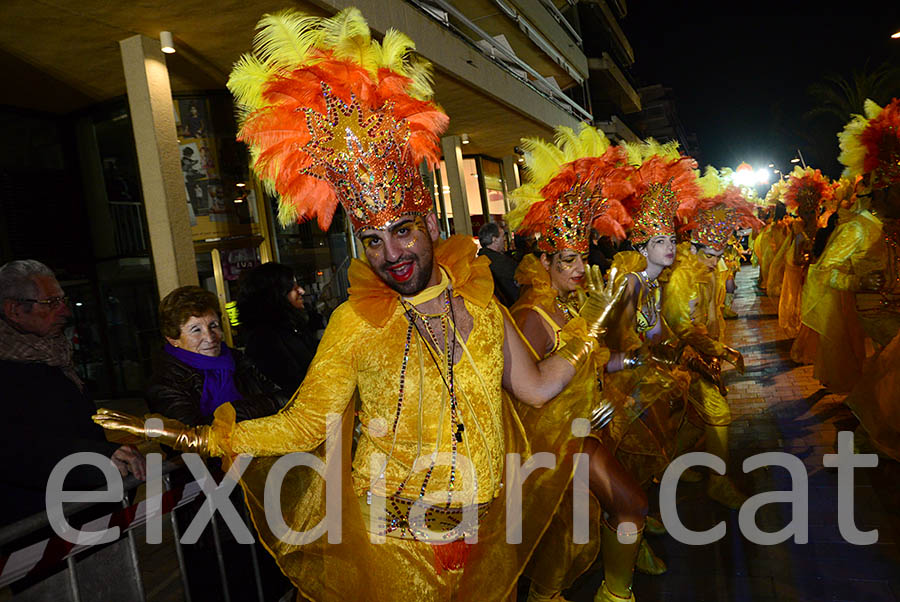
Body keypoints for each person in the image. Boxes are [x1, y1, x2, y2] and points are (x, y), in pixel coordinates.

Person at [93, 9, 625, 602]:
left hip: (481, 529)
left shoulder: (481, 300)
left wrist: (595, 326)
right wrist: (197, 438)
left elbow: (534, 387)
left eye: (401, 231)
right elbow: (304, 422)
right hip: (395, 539)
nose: (391, 252)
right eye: (373, 239)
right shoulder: (354, 322)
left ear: (428, 221)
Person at [506, 124, 645, 602]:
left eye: (581, 257)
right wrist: (575, 417)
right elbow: (522, 398)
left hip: (585, 432)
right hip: (555, 450)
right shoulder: (531, 317)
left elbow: (585, 364)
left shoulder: (570, 305)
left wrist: (610, 379)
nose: (580, 268)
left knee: (569, 538)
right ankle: (613, 594)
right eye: (567, 260)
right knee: (628, 505)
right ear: (543, 262)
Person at [600, 140, 701, 576]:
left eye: (672, 238)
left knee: (646, 458)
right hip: (621, 387)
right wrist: (638, 364)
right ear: (643, 244)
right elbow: (609, 339)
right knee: (625, 466)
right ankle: (627, 540)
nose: (670, 247)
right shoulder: (631, 283)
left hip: (644, 380)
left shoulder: (655, 285)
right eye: (660, 241)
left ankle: (639, 521)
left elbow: (657, 333)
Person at [0, 260, 145, 524]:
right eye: (51, 303)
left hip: (84, 519)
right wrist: (97, 459)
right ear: (14, 310)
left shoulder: (54, 357)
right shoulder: (9, 371)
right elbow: (18, 450)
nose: (65, 311)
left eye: (63, 300)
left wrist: (110, 456)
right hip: (39, 532)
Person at [806, 98, 900, 460]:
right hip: (876, 311)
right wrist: (860, 281)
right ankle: (870, 434)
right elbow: (824, 269)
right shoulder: (858, 228)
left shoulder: (895, 225)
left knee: (886, 372)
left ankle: (865, 433)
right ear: (884, 191)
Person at [662, 185, 761, 510]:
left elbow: (709, 316)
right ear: (694, 248)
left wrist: (718, 348)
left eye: (719, 257)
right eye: (710, 256)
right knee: (719, 415)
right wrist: (720, 350)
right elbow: (681, 327)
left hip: (704, 353)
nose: (715, 263)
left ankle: (669, 464)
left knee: (694, 417)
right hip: (685, 357)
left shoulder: (706, 272)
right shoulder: (681, 278)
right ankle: (718, 483)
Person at [145, 286, 282, 426]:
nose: (210, 338)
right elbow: (190, 435)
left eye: (213, 325)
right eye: (196, 330)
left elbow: (284, 399)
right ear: (173, 339)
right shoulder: (164, 383)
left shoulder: (239, 360)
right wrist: (252, 408)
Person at [236, 262, 318, 395]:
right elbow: (291, 386)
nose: (301, 291)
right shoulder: (264, 340)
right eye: (293, 287)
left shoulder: (292, 327)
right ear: (276, 294)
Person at [777, 167, 831, 339]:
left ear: (817, 209)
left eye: (812, 211)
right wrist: (806, 261)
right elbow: (795, 257)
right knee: (802, 301)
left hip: (817, 273)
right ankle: (803, 332)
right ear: (800, 212)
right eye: (806, 212)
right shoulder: (798, 227)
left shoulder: (822, 226)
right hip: (801, 271)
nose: (810, 215)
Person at [477, 221, 520, 306]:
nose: (504, 239)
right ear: (494, 239)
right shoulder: (499, 262)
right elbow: (521, 276)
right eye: (502, 236)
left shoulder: (481, 259)